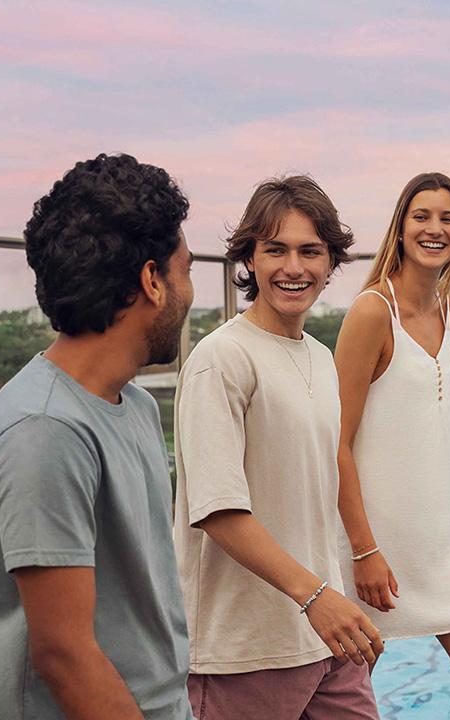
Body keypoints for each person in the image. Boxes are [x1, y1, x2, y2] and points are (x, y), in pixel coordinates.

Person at [0, 153, 195, 719]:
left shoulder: (134, 406)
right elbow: (66, 658)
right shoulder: (45, 431)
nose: (190, 294)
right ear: (152, 281)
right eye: (185, 271)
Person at [173, 176, 382, 720]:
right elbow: (217, 511)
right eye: (275, 250)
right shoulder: (221, 358)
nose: (294, 267)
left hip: (327, 637)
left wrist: (342, 586)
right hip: (243, 650)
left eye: (310, 251)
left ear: (330, 261)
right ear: (250, 258)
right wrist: (317, 598)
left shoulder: (320, 357)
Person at [334, 172, 450, 718]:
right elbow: (334, 442)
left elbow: (431, 426)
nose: (434, 228)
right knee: (339, 702)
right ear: (401, 227)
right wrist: (363, 550)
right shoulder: (373, 311)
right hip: (372, 545)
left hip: (440, 541)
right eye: (422, 216)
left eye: (448, 218)